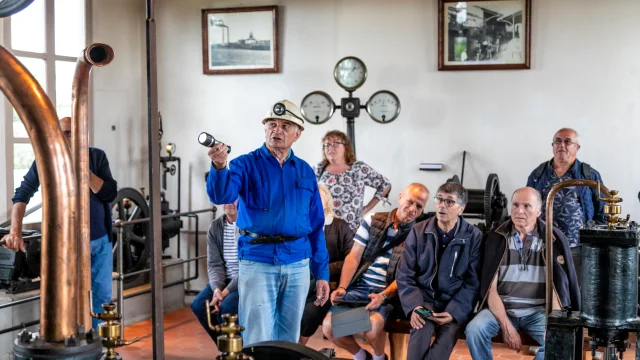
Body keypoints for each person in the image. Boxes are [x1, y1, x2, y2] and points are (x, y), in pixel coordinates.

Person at [206, 100, 330, 345]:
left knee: (289, 338)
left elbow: (316, 227)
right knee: (257, 335)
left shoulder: (305, 171)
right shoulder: (244, 164)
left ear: (298, 134)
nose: (277, 130)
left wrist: (321, 272)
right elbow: (221, 196)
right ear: (264, 129)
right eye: (272, 124)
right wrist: (220, 166)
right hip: (257, 262)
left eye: (285, 125)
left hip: (297, 264)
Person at [1, 116, 117, 330]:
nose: (66, 138)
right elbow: (21, 195)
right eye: (62, 133)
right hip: (67, 244)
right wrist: (14, 230)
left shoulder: (97, 157)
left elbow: (110, 193)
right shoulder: (45, 160)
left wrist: (85, 171)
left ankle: (100, 347)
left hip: (100, 242)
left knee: (102, 296)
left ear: (82, 135)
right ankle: (72, 344)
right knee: (67, 296)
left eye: (71, 133)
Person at [465, 187, 580, 360]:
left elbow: (560, 287)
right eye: (516, 205)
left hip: (538, 312)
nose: (520, 210)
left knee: (558, 339)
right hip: (502, 310)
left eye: (527, 206)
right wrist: (506, 326)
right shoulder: (496, 237)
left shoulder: (553, 238)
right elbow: (491, 290)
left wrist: (554, 324)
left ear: (539, 211)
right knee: (474, 330)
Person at [322, 183, 429, 360]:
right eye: (410, 202)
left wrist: (383, 296)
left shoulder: (420, 235)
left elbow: (407, 275)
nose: (412, 209)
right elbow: (353, 257)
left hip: (389, 293)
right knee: (329, 327)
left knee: (371, 327)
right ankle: (361, 356)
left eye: (419, 206)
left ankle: (379, 357)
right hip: (360, 287)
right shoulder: (373, 219)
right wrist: (342, 287)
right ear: (400, 197)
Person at [396, 183, 483, 360]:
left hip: (454, 304)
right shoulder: (419, 231)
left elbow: (472, 282)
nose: (442, 205)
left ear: (461, 208)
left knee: (444, 342)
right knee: (420, 331)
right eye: (440, 199)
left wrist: (454, 312)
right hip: (424, 301)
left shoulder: (474, 236)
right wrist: (415, 306)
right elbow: (405, 275)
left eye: (449, 202)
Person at [526, 127, 605, 285]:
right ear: (553, 146)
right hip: (544, 246)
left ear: (577, 147)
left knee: (578, 292)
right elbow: (527, 207)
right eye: (557, 141)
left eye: (567, 141)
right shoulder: (538, 174)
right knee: (547, 291)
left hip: (579, 249)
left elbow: (602, 213)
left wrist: (594, 244)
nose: (561, 144)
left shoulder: (589, 175)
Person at [299, 184, 354, 345]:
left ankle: (297, 347)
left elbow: (350, 260)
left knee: (310, 310)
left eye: (318, 198)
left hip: (330, 284)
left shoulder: (340, 226)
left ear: (327, 202)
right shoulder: (300, 225)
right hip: (301, 281)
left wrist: (323, 270)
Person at [315, 130, 391, 232]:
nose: (330, 147)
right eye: (327, 144)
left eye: (336, 143)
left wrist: (367, 208)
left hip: (353, 229)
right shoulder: (318, 169)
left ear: (346, 148)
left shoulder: (359, 168)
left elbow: (385, 184)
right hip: (326, 230)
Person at [190, 201, 240, 347]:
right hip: (224, 281)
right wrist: (217, 289)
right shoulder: (215, 227)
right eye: (225, 198)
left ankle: (240, 351)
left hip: (244, 282)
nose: (229, 202)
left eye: (233, 198)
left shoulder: (249, 226)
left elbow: (248, 269)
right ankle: (227, 349)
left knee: (227, 307)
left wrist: (223, 294)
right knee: (199, 304)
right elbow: (214, 264)